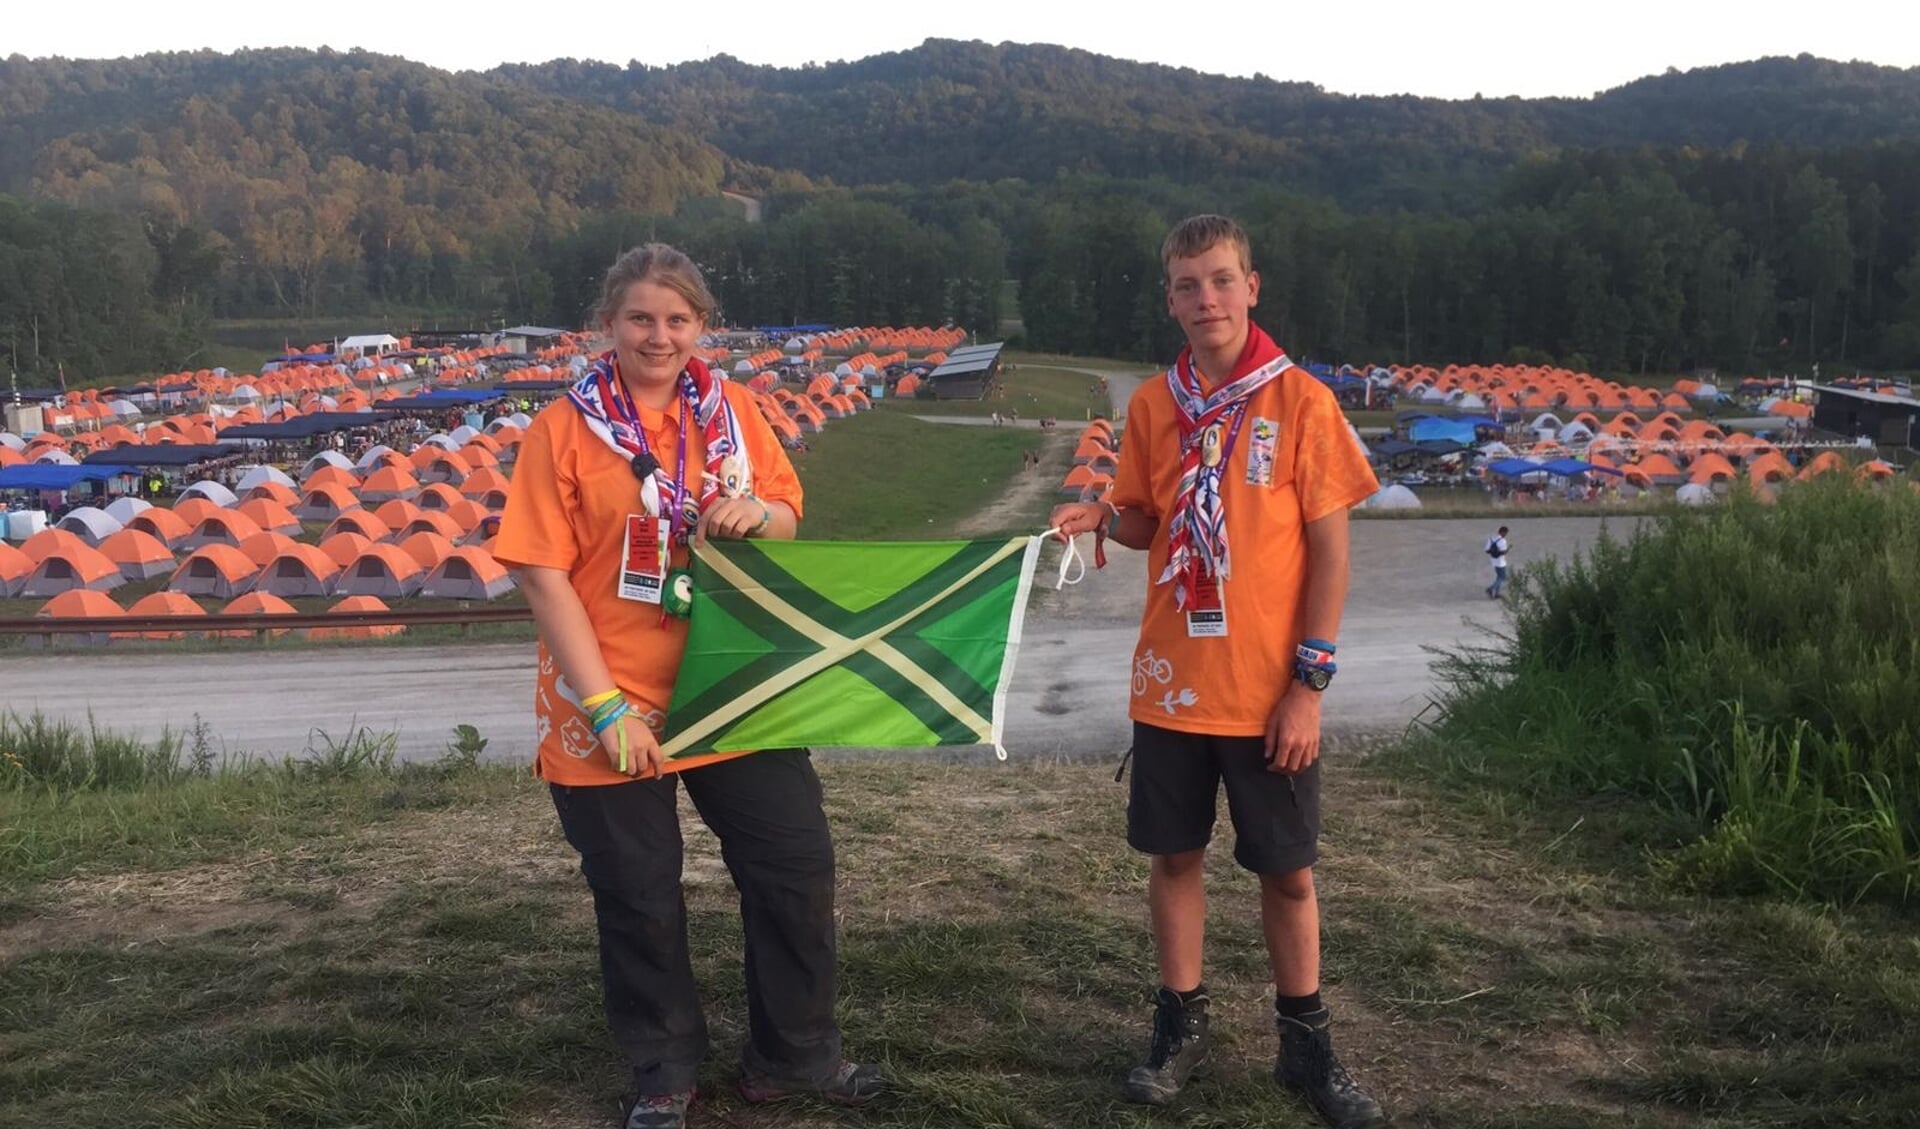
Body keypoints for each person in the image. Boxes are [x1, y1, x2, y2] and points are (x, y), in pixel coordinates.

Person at [494, 244, 882, 1129]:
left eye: (677, 319)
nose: (658, 335)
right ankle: (662, 1066)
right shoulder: (565, 428)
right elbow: (541, 574)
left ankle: (795, 1054)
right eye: (640, 318)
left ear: (702, 327)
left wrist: (764, 516)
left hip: (731, 687)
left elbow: (786, 510)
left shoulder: (735, 412)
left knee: (793, 863)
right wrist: (603, 708)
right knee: (639, 888)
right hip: (610, 696)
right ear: (608, 325)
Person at [1049, 215, 1385, 1129]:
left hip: (1269, 689)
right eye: (1189, 285)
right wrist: (1099, 516)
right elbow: (1149, 520)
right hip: (1172, 679)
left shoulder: (1303, 403)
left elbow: (1331, 556)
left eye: (1222, 280)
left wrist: (1308, 685)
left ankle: (1305, 1044)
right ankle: (1180, 1023)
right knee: (1175, 856)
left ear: (1253, 286)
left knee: (1288, 873)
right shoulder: (1155, 404)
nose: (1207, 299)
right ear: (1170, 299)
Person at [1485, 525, 1510, 599]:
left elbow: (1487, 550)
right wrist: (1508, 549)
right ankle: (1490, 588)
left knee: (1499, 577)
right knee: (1502, 577)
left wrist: (1494, 551)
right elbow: (1503, 552)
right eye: (1505, 533)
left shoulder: (1491, 538)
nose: (1505, 535)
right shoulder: (1503, 541)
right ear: (1503, 532)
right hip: (1501, 562)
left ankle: (1496, 593)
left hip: (1493, 561)